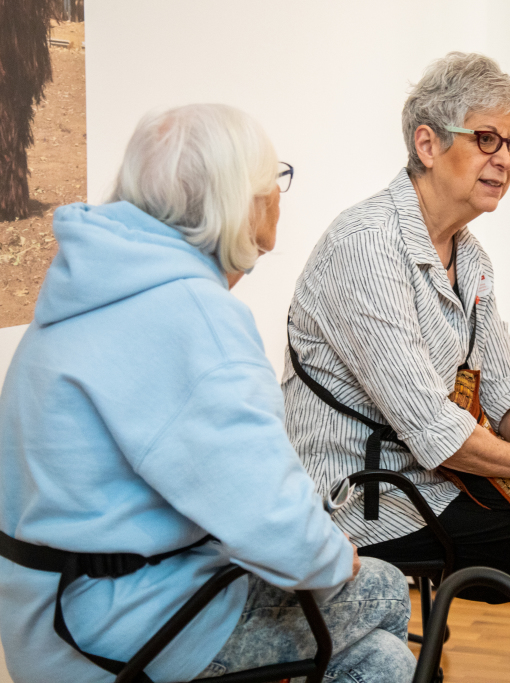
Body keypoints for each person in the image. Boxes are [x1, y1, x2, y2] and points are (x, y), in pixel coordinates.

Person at [0, 104, 415, 683]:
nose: (278, 196)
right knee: (385, 590)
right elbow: (273, 519)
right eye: (274, 180)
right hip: (125, 631)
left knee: (379, 662)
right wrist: (330, 552)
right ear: (238, 200)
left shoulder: (84, 289)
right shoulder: (193, 315)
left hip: (43, 621)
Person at [284, 52, 510, 682]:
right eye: (485, 139)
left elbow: (509, 387)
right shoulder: (366, 244)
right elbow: (437, 433)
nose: (503, 158)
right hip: (373, 509)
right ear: (427, 143)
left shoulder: (469, 255)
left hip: (442, 488)